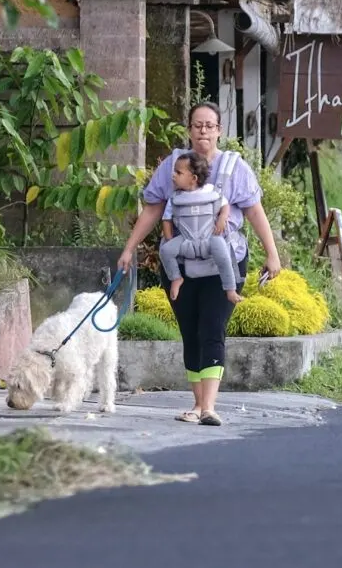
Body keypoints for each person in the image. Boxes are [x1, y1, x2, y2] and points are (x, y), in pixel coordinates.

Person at [117, 102, 282, 427]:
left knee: (212, 328)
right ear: (189, 130)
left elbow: (253, 211)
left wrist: (272, 253)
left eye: (209, 125)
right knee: (190, 332)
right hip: (182, 263)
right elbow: (153, 209)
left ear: (219, 130)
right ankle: (196, 404)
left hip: (225, 263)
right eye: (197, 125)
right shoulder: (172, 166)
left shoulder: (235, 168)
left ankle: (208, 407)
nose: (203, 131)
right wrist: (129, 249)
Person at [159, 151, 242, 306]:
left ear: (194, 178)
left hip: (209, 238)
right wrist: (169, 239)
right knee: (165, 250)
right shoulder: (175, 198)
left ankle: (230, 289)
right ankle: (176, 278)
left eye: (179, 172)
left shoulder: (211, 191)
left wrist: (222, 219)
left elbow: (225, 206)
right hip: (186, 241)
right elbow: (166, 219)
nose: (173, 176)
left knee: (223, 254)